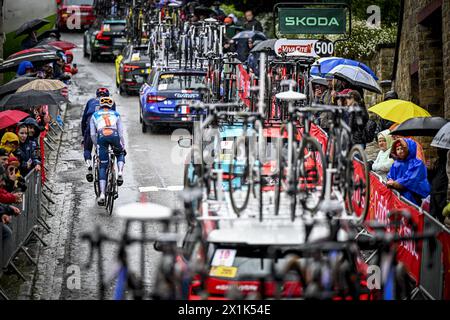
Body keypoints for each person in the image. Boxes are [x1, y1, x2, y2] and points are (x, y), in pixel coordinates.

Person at [90, 97, 126, 206]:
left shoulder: (94, 115)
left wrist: (97, 145)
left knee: (102, 166)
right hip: (114, 134)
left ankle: (102, 194)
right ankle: (120, 172)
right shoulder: (116, 114)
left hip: (102, 136)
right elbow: (120, 133)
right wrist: (123, 145)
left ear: (100, 106)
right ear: (111, 106)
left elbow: (92, 134)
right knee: (120, 153)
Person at [82, 88, 114, 182]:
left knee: (87, 149)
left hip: (90, 126)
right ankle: (110, 165)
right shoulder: (111, 102)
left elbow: (84, 119)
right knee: (110, 147)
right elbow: (114, 118)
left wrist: (84, 135)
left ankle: (89, 167)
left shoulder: (90, 101)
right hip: (104, 128)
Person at [386, 138, 431, 205]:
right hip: (399, 194)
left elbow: (411, 179)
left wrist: (395, 183)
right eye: (397, 149)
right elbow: (390, 174)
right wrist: (389, 179)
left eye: (402, 148)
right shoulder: (396, 163)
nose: (400, 151)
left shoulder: (417, 163)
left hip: (413, 195)